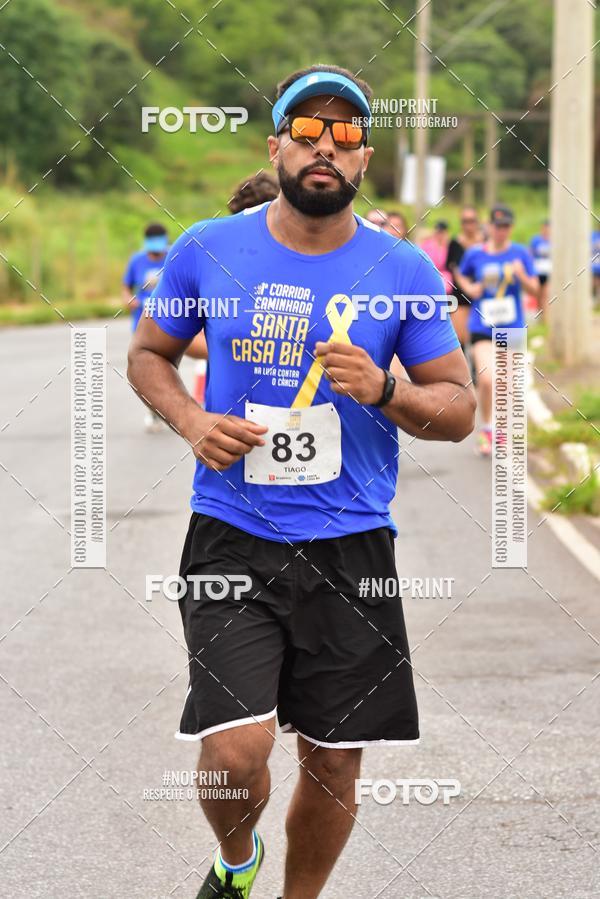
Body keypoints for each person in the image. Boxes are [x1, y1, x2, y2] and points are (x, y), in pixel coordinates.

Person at [128, 63, 475, 899]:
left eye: (346, 133)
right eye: (307, 130)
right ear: (275, 145)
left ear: (365, 157)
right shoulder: (207, 247)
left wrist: (384, 388)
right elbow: (148, 355)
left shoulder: (403, 270)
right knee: (234, 750)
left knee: (332, 762)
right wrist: (193, 421)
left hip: (352, 546)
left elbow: (460, 408)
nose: (326, 146)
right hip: (232, 534)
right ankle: (237, 860)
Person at [185, 172, 282, 402]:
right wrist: (235, 352)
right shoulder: (214, 260)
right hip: (228, 409)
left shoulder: (303, 260)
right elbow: (183, 337)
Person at [457, 204, 539, 456]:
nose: (501, 231)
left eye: (506, 226)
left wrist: (521, 276)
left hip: (512, 326)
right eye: (497, 226)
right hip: (482, 325)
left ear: (510, 228)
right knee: (486, 378)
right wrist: (470, 289)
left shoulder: (520, 253)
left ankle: (501, 430)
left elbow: (535, 289)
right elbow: (460, 274)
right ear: (489, 227)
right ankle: (487, 428)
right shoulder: (475, 254)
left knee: (506, 383)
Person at [122, 223, 169, 431]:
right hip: (142, 325)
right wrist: (128, 299)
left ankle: (168, 409)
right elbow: (126, 287)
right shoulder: (137, 260)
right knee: (149, 370)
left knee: (166, 369)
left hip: (168, 324)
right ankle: (153, 412)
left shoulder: (173, 256)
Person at [446, 206, 483, 349]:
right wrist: (468, 288)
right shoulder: (455, 244)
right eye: (465, 221)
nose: (469, 225)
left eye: (472, 221)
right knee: (459, 341)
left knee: (484, 340)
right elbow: (454, 268)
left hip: (484, 294)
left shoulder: (487, 243)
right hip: (461, 296)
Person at [419, 221, 453, 295]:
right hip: (429, 274)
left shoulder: (449, 246)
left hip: (444, 276)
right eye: (438, 232)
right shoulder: (427, 244)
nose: (440, 235)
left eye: (442, 232)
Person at [529, 220, 551, 319]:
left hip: (548, 271)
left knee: (545, 295)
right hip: (537, 271)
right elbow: (530, 253)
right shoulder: (536, 240)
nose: (546, 230)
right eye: (544, 228)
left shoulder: (553, 240)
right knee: (538, 295)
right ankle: (540, 315)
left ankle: (545, 317)